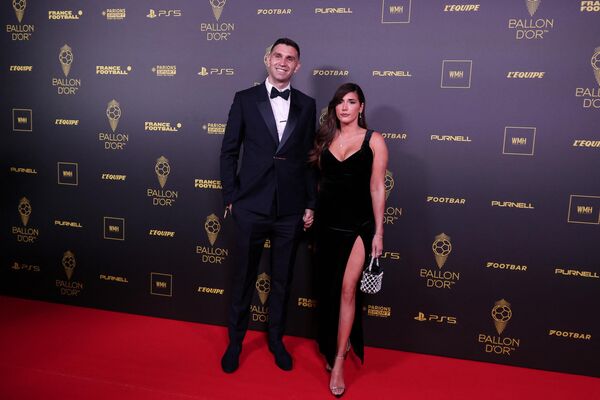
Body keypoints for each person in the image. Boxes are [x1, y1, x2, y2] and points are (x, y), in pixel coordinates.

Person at [219, 38, 317, 373]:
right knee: (244, 278)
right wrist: (231, 196)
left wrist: (309, 203)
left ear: (297, 66)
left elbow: (308, 159)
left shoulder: (307, 104)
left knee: (282, 280)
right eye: (278, 55)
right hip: (250, 205)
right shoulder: (245, 99)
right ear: (267, 59)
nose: (283, 62)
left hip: (289, 209)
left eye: (291, 58)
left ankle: (276, 340)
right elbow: (229, 150)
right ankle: (236, 343)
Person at [310, 83, 388, 397]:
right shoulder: (326, 138)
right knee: (328, 292)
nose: (345, 107)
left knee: (347, 290)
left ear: (361, 107)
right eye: (340, 102)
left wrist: (379, 232)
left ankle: (340, 362)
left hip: (358, 226)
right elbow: (319, 184)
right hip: (326, 225)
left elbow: (377, 187)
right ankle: (331, 348)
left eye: (351, 102)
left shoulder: (374, 140)